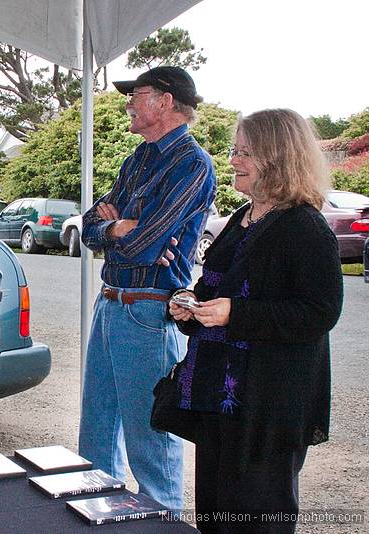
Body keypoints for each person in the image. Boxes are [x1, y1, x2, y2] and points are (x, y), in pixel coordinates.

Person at [168, 109, 342, 533]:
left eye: (246, 153)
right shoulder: (240, 219)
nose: (233, 161)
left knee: (257, 517)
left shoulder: (305, 226)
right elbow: (215, 288)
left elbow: (320, 312)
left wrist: (235, 313)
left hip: (269, 405)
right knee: (215, 513)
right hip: (221, 397)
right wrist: (189, 304)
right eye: (234, 150)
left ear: (279, 158)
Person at [78, 66, 216, 510]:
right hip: (111, 303)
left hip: (148, 311)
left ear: (165, 101)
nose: (128, 104)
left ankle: (162, 521)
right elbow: (88, 228)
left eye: (135, 95)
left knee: (149, 438)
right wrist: (117, 228)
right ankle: (100, 513)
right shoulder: (137, 158)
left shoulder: (193, 163)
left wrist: (117, 231)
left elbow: (144, 244)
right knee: (96, 431)